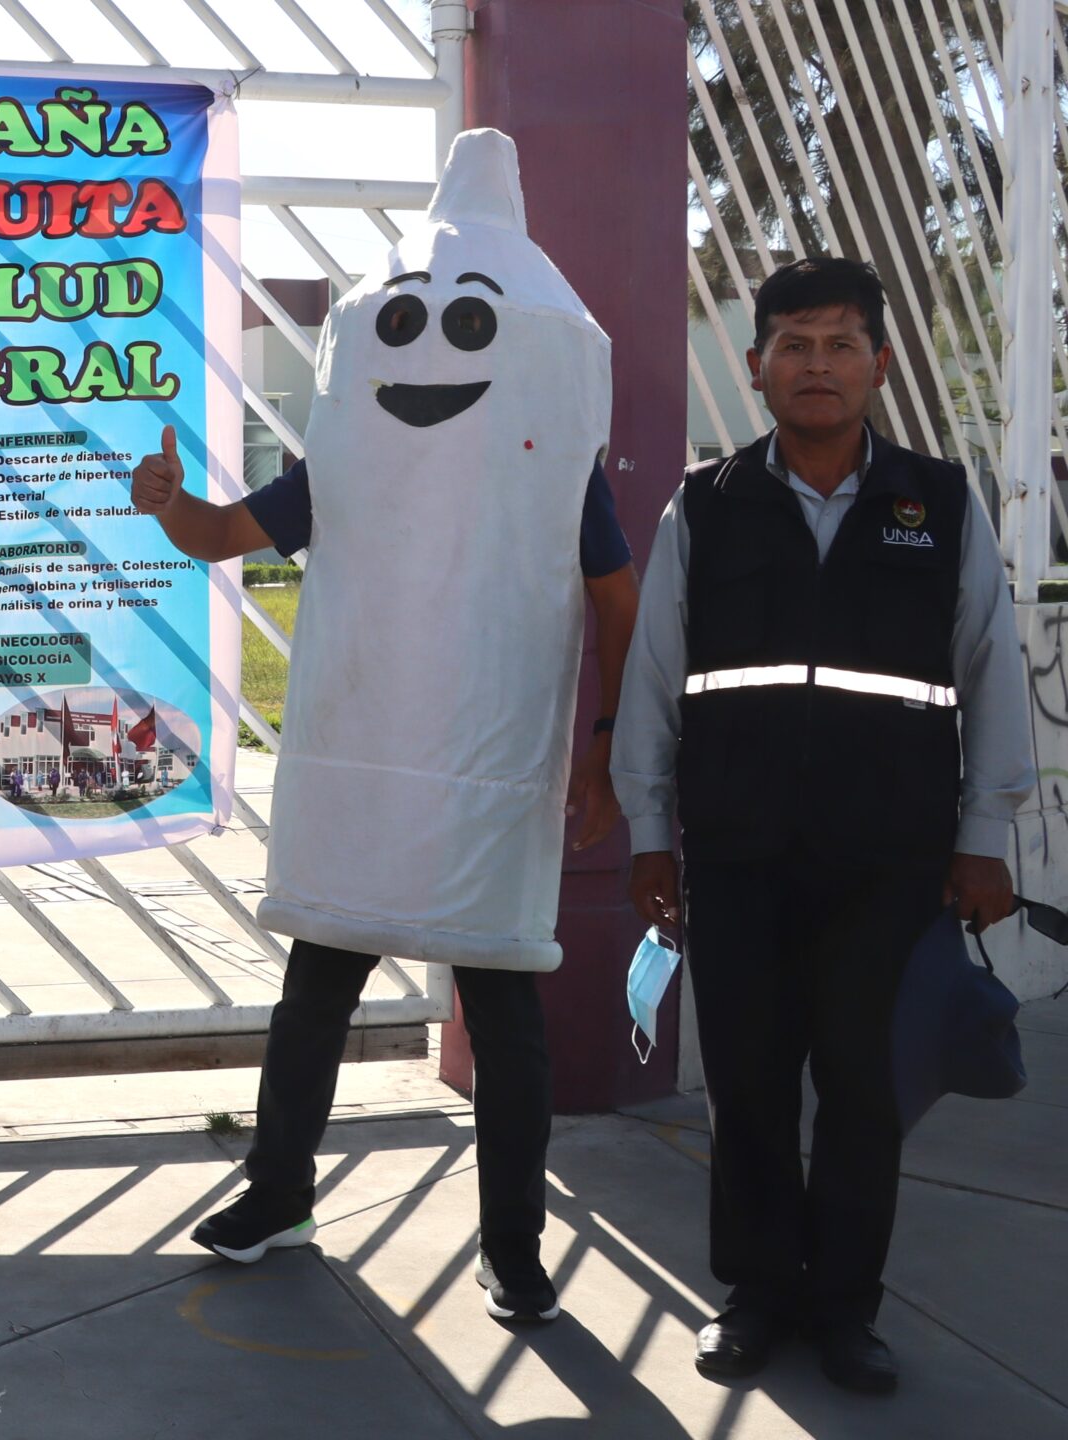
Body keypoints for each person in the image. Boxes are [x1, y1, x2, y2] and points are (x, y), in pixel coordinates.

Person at [132, 129, 637, 1325]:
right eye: (405, 323)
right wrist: (167, 505)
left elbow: (615, 601)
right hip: (364, 758)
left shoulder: (554, 464)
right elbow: (221, 537)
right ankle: (276, 1194)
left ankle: (512, 1245)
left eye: (465, 325)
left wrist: (603, 747)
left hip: (490, 767)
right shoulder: (345, 458)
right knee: (317, 984)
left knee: (501, 1008)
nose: (430, 347)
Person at [614, 257, 1033, 1395]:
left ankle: (847, 1308)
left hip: (887, 858)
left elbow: (991, 669)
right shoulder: (705, 504)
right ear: (756, 367)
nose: (816, 366)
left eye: (840, 344)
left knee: (862, 1089)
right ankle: (756, 1295)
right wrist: (650, 832)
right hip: (737, 851)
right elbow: (654, 677)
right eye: (793, 346)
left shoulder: (939, 503)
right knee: (746, 1083)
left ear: (878, 365)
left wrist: (984, 834)